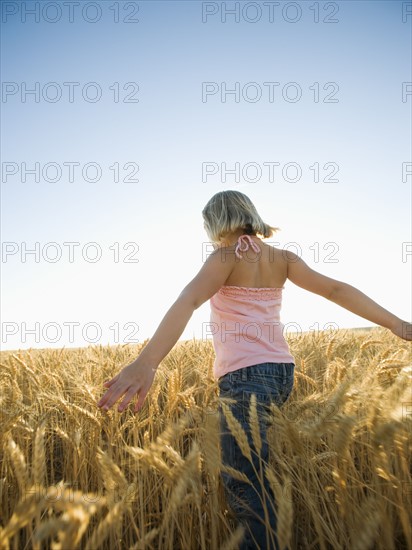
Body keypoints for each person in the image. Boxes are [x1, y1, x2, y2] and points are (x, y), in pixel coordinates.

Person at [97, 190, 411, 549]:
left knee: (245, 483)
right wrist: (395, 323)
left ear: (215, 222)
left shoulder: (225, 257)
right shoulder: (283, 258)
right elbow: (336, 289)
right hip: (282, 373)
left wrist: (147, 361)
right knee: (258, 473)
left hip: (246, 378)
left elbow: (190, 300)